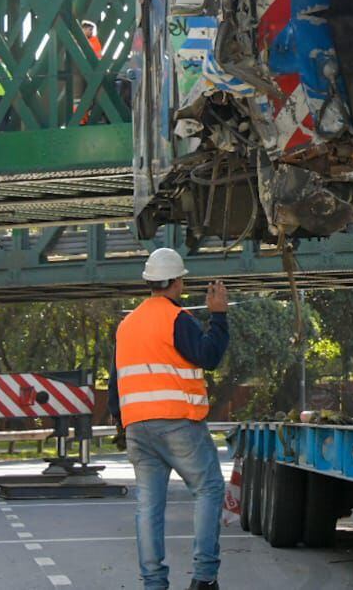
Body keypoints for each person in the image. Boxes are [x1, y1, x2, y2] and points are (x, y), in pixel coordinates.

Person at [117, 248, 229, 590]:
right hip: (177, 422)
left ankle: (153, 582)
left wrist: (121, 426)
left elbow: (116, 380)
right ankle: (204, 576)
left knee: (148, 504)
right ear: (177, 282)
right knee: (209, 488)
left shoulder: (127, 325)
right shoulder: (176, 318)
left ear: (150, 281)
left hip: (137, 425)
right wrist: (219, 315)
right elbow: (208, 356)